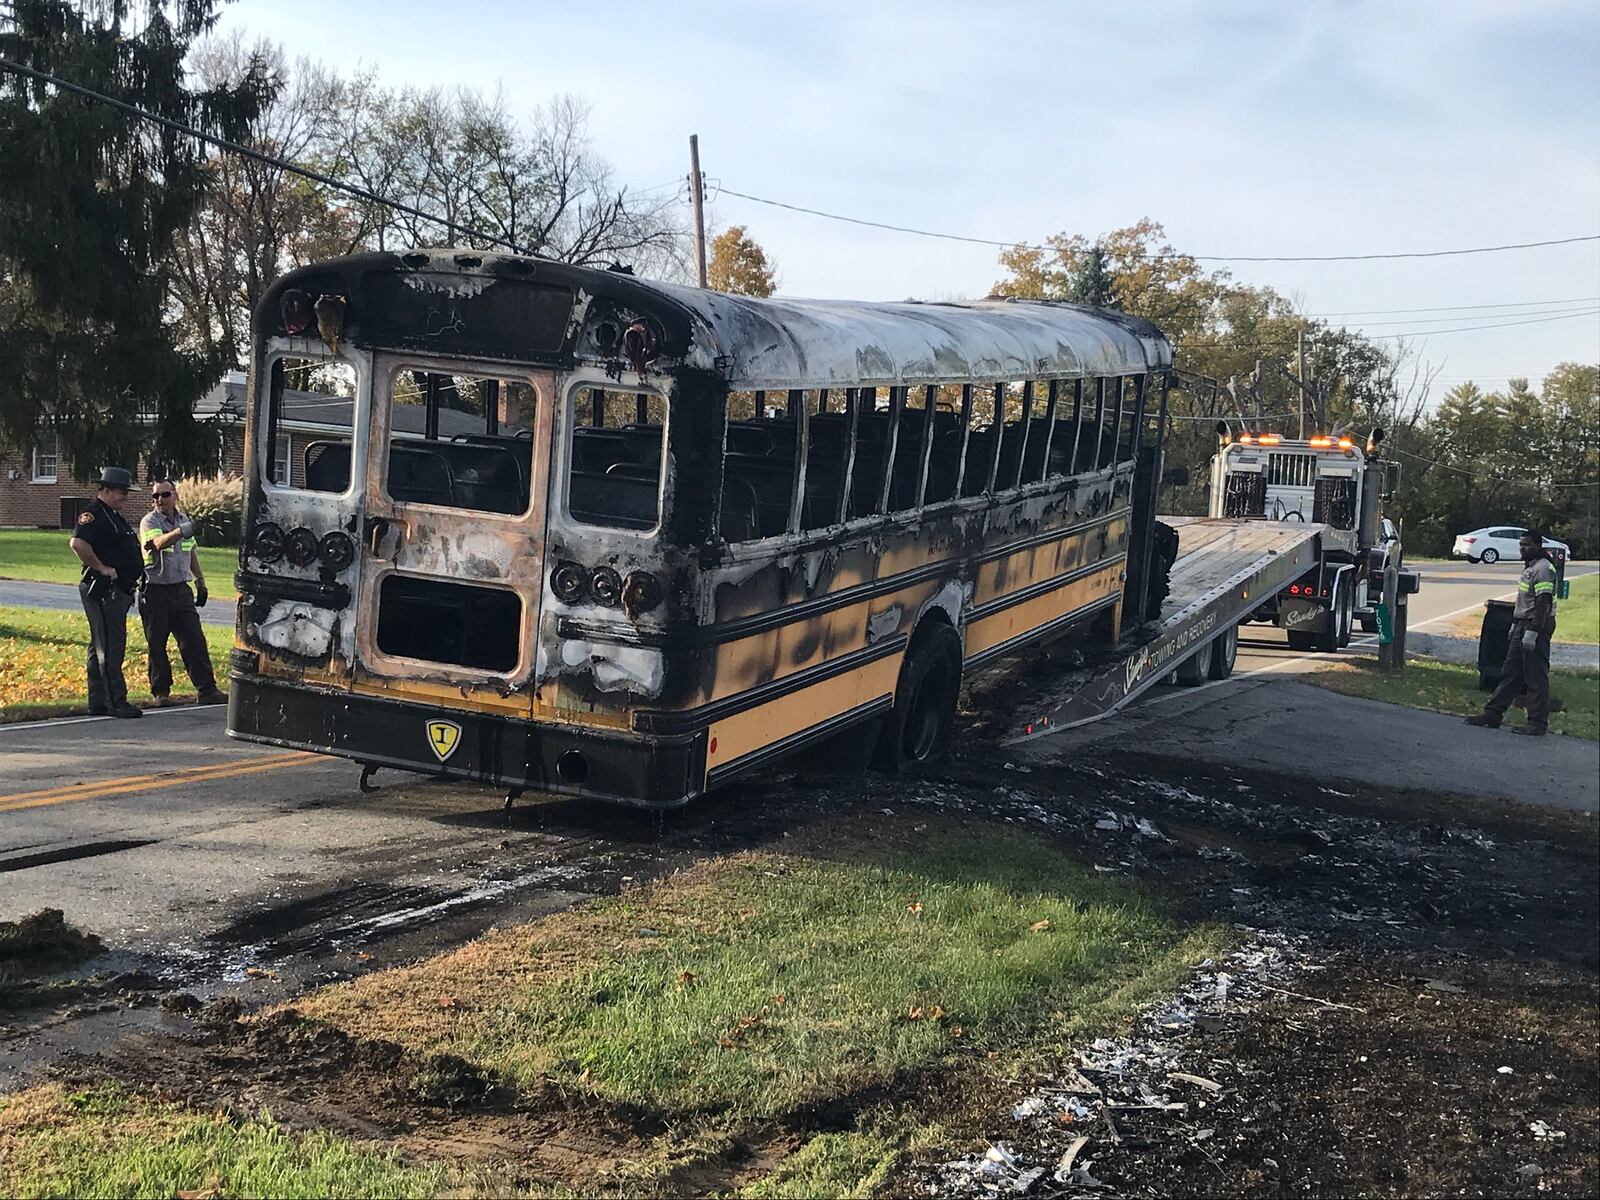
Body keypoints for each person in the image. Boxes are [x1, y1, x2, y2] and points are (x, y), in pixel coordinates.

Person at [138, 479, 226, 706]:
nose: (160, 500)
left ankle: (207, 689)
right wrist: (181, 532)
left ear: (175, 495)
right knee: (157, 643)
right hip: (156, 590)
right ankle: (161, 693)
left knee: (194, 640)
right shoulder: (150, 521)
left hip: (181, 589)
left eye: (165, 495)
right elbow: (156, 543)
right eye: (155, 496)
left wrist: (200, 581)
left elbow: (191, 552)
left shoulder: (184, 519)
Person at [68, 467, 145, 718]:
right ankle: (116, 701)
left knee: (99, 643)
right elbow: (77, 543)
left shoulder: (112, 515)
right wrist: (101, 568)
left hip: (118, 589)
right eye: (122, 492)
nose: (125, 496)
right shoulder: (93, 515)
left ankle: (98, 700)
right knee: (111, 645)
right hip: (105, 589)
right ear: (106, 489)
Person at [1467, 529, 1559, 736]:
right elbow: (1525, 601)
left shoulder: (1543, 568)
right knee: (1510, 672)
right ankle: (1493, 713)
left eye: (1527, 545)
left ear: (1538, 546)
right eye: (1521, 545)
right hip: (1522, 624)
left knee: (1535, 676)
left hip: (1536, 625)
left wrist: (1533, 632)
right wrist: (1515, 624)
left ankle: (1537, 723)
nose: (1523, 548)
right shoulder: (1531, 567)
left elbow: (1543, 603)